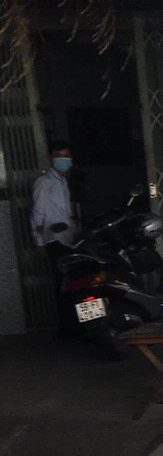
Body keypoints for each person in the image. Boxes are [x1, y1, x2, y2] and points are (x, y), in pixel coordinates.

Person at [31, 140, 77, 333]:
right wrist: (39, 242)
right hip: (54, 239)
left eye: (66, 156)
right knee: (63, 283)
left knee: (71, 282)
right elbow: (38, 213)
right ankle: (66, 328)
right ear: (51, 158)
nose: (63, 160)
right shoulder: (45, 182)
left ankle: (73, 325)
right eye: (59, 156)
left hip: (67, 238)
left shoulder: (62, 181)